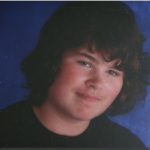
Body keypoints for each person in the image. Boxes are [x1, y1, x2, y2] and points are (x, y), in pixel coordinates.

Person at [0, 1, 150, 148]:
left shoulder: (128, 145)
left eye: (112, 72)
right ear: (51, 59)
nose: (97, 82)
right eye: (85, 63)